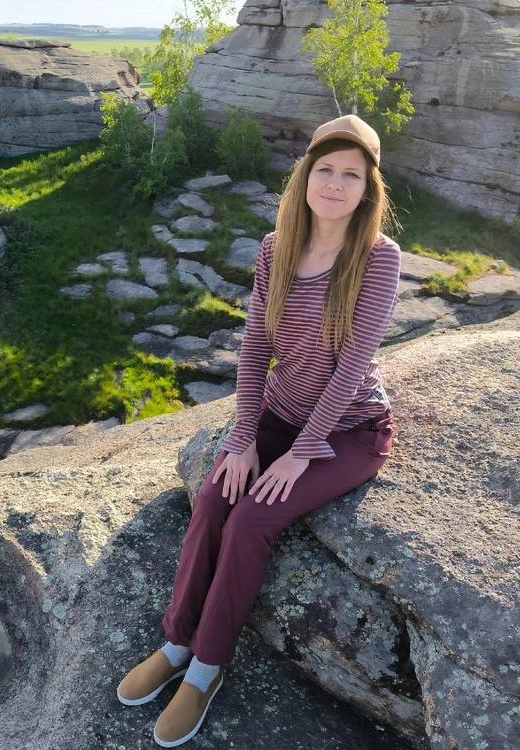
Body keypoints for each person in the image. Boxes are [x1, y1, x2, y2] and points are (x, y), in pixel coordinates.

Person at [116, 114, 403, 747]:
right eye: (324, 169)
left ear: (367, 188)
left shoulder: (379, 258)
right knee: (218, 499)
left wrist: (301, 454)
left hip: (351, 428)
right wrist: (243, 439)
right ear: (305, 176)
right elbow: (255, 346)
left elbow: (354, 363)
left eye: (350, 174)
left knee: (252, 520)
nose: (334, 182)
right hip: (279, 410)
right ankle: (176, 643)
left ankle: (208, 669)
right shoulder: (277, 246)